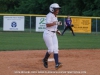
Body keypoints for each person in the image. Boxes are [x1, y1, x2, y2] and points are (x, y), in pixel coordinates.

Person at [42, 3, 62, 70]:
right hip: (48, 34)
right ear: (52, 9)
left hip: (53, 34)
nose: (58, 10)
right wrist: (55, 23)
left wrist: (57, 30)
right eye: (56, 9)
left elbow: (54, 27)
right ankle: (45, 59)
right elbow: (47, 25)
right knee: (51, 49)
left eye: (58, 9)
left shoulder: (55, 16)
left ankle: (57, 64)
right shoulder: (49, 15)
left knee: (56, 49)